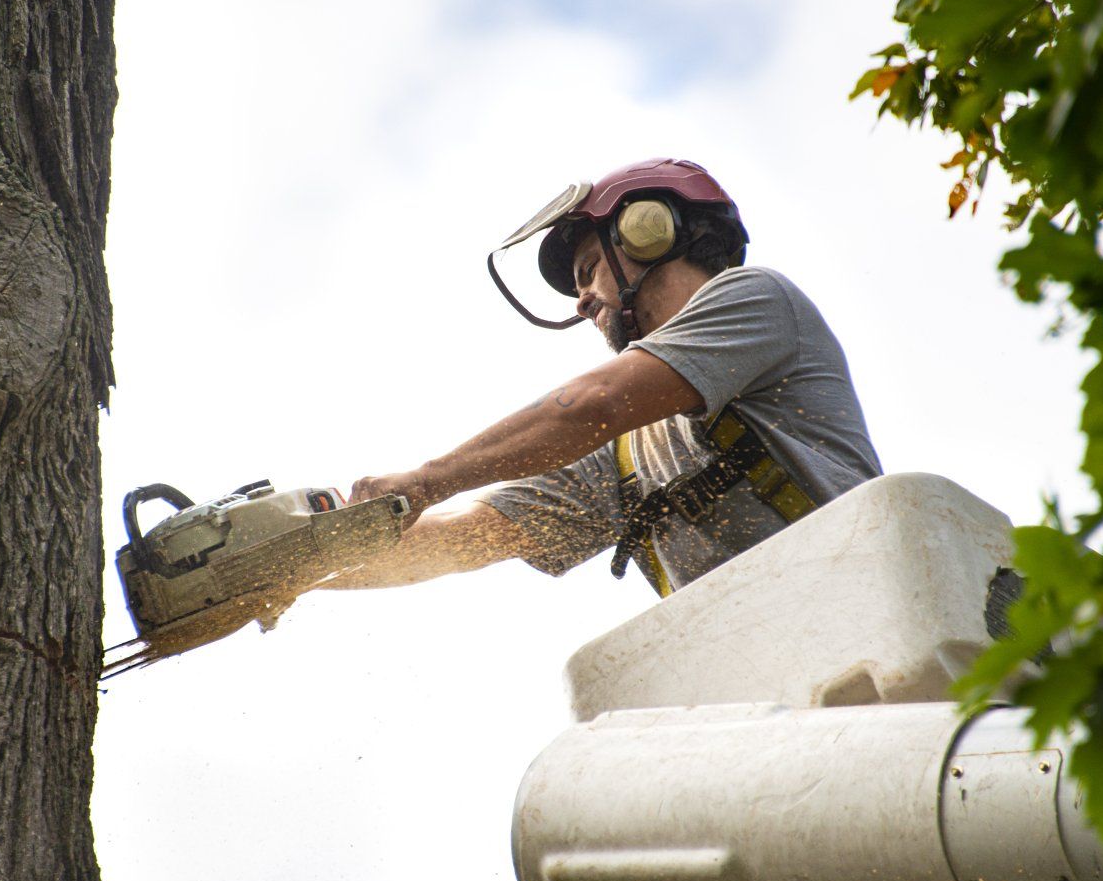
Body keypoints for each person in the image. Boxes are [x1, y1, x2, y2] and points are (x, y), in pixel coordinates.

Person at [332, 158, 881, 597]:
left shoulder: (758, 299)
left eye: (589, 270)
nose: (582, 299)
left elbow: (598, 402)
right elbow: (470, 535)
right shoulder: (626, 456)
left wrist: (426, 481)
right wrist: (303, 567)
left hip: (873, 607)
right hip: (773, 668)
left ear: (650, 232)